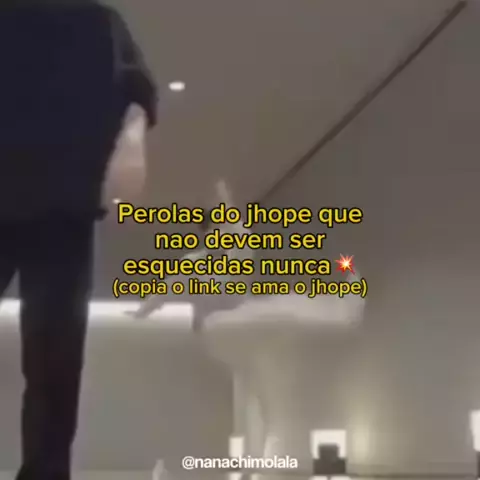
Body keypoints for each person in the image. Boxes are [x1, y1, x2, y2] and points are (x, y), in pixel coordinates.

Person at [0, 1, 157, 479]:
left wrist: (133, 141)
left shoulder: (97, 20)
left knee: (56, 362)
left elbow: (136, 88)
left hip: (65, 204)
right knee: (55, 362)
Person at [130, 181, 254, 330]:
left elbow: (239, 230)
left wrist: (225, 199)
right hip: (211, 315)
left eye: (221, 230)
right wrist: (143, 311)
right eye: (213, 232)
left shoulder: (239, 249)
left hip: (236, 310)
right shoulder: (194, 261)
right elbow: (167, 287)